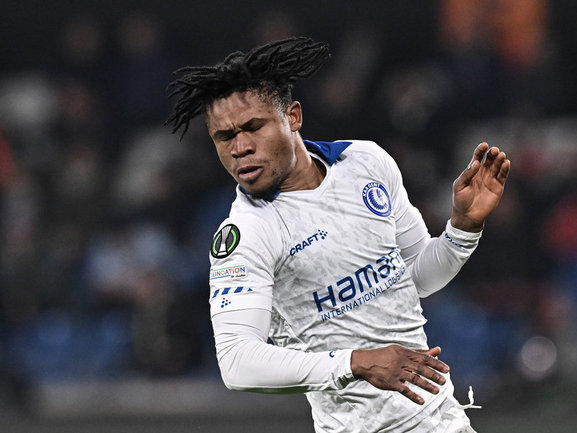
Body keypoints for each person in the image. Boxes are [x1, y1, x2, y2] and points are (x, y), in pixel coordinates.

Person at [166, 37, 510, 433]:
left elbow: (416, 280)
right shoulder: (246, 234)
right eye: (224, 137)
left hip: (443, 420)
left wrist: (462, 227)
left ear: (292, 116)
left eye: (253, 127)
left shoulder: (365, 162)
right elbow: (237, 363)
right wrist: (356, 362)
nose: (240, 147)